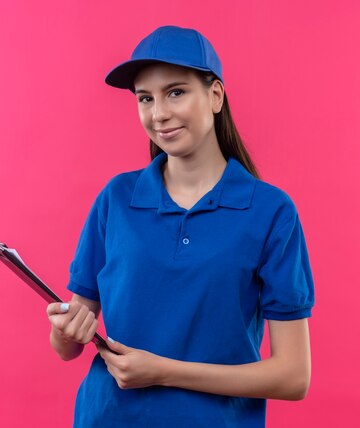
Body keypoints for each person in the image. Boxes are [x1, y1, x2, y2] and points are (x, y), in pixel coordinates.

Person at [46, 25, 315, 427]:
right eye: (145, 98)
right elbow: (67, 347)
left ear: (215, 95)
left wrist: (164, 371)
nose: (159, 114)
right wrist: (67, 331)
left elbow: (294, 376)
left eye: (176, 92)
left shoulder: (271, 212)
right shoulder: (116, 199)